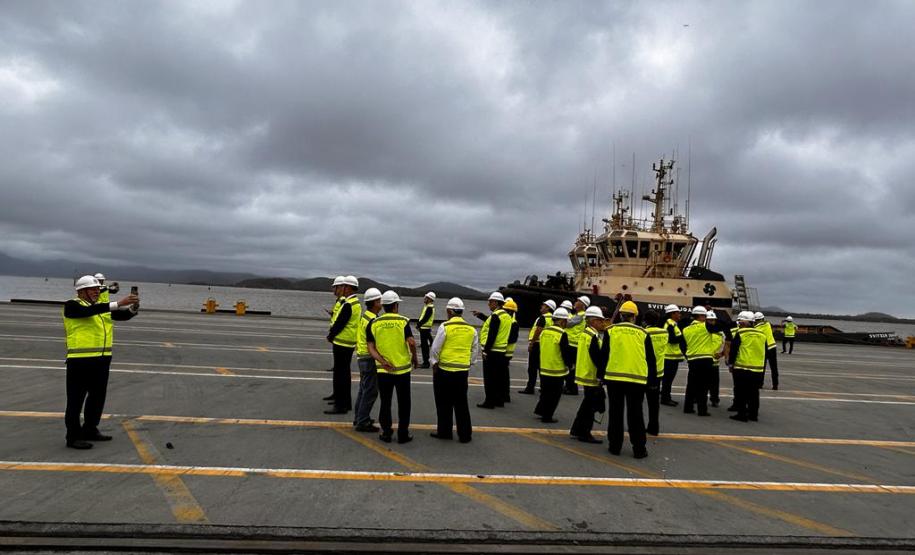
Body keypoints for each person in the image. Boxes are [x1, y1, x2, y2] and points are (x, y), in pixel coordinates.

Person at [62, 275, 138, 449]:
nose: (97, 292)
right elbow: (86, 312)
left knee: (97, 397)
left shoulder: (100, 308)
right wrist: (118, 303)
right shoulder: (72, 305)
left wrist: (133, 308)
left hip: (102, 360)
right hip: (80, 361)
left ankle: (90, 429)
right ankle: (72, 437)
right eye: (93, 289)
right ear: (81, 291)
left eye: (98, 289)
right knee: (75, 400)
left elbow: (122, 315)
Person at [603, 301, 655, 458]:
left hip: (614, 377)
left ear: (620, 316)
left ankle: (615, 446)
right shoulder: (643, 333)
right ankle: (639, 449)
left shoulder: (611, 331)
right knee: (636, 414)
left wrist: (601, 376)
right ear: (635, 317)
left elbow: (604, 354)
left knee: (615, 413)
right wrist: (652, 381)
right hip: (636, 379)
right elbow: (650, 359)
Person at [366, 290, 417, 443]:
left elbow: (371, 348)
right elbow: (411, 342)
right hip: (402, 370)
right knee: (404, 403)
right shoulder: (403, 321)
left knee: (385, 402)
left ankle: (387, 433)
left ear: (383, 306)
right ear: (395, 306)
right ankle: (403, 434)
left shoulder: (374, 323)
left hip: (384, 370)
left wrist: (382, 361)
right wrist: (414, 357)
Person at [429, 297, 479, 443]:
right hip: (462, 372)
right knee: (461, 403)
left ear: (450, 311)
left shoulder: (445, 327)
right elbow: (475, 349)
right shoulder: (471, 329)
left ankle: (444, 432)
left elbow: (435, 348)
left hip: (445, 370)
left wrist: (434, 363)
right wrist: (469, 362)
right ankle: (465, 434)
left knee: (443, 403)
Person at [569, 306, 609, 444]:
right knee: (590, 407)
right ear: (593, 321)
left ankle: (576, 429)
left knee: (586, 404)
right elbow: (597, 357)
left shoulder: (585, 334)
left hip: (584, 373)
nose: (602, 323)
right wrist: (602, 375)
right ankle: (585, 433)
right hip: (591, 375)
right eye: (600, 320)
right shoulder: (592, 336)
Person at [325, 275, 361, 414]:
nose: (342, 289)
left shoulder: (348, 304)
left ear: (349, 288)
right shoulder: (354, 303)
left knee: (341, 374)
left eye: (344, 286)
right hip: (348, 342)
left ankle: (341, 406)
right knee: (344, 374)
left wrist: (331, 335)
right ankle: (345, 402)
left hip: (342, 342)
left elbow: (340, 323)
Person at [472, 292, 512, 409]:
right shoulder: (506, 316)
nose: (488, 304)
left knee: (489, 378)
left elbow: (492, 335)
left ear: (495, 302)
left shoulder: (495, 316)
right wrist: (480, 315)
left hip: (492, 351)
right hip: (501, 351)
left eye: (490, 302)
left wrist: (486, 351)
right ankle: (499, 400)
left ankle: (489, 402)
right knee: (498, 378)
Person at [728, 311, 768, 422]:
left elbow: (734, 350)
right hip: (757, 369)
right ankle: (753, 414)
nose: (739, 324)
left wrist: (731, 364)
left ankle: (742, 414)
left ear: (743, 322)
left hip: (742, 367)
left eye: (740, 322)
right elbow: (765, 351)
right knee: (754, 393)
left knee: (741, 392)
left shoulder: (740, 333)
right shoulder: (762, 334)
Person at [353, 288, 383, 432]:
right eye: (380, 301)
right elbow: (376, 341)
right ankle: (363, 421)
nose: (381, 303)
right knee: (370, 391)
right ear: (375, 302)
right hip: (369, 358)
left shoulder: (365, 316)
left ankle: (359, 417)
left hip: (362, 356)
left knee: (363, 389)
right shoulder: (373, 320)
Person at [533, 307, 569, 423]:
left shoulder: (545, 331)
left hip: (544, 367)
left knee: (545, 392)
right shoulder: (562, 334)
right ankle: (547, 416)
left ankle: (541, 411)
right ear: (562, 321)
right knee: (554, 395)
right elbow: (565, 353)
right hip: (556, 370)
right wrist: (570, 364)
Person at [682, 306, 718, 416]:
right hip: (705, 359)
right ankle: (702, 410)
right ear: (701, 316)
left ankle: (688, 407)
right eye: (705, 316)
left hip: (692, 359)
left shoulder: (686, 329)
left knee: (691, 384)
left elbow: (683, 345)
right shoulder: (706, 326)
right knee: (703, 386)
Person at [520, 300, 555, 395]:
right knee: (542, 367)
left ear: (548, 308)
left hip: (537, 344)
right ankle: (544, 387)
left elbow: (538, 330)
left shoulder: (543, 318)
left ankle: (530, 388)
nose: (541, 306)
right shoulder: (553, 318)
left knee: (532, 368)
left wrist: (532, 343)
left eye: (544, 305)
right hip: (546, 345)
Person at [642, 310, 667, 436]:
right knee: (654, 403)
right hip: (658, 372)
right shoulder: (664, 332)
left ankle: (638, 426)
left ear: (645, 321)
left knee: (637, 402)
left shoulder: (643, 333)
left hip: (643, 371)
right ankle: (653, 427)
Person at [563, 296, 591, 395]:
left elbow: (568, 324)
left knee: (570, 367)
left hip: (573, 345)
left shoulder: (581, 315)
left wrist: (562, 318)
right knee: (569, 367)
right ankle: (569, 386)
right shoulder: (578, 315)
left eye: (578, 301)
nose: (575, 302)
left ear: (583, 305)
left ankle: (572, 388)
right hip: (572, 344)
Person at [660, 304, 686, 406]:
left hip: (672, 356)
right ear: (672, 314)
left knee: (669, 379)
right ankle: (665, 398)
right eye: (678, 313)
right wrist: (683, 337)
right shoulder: (670, 324)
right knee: (668, 379)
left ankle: (667, 397)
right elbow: (671, 340)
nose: (680, 315)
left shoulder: (673, 324)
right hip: (669, 357)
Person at [755, 312, 779, 390]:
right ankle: (775, 385)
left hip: (764, 348)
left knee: (762, 367)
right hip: (772, 347)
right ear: (763, 318)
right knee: (774, 367)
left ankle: (760, 384)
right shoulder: (768, 324)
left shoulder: (756, 328)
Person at [502, 298, 520, 403]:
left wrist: (501, 340)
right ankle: (504, 395)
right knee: (503, 375)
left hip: (505, 352)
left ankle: (505, 395)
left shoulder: (513, 323)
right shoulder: (510, 321)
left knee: (503, 376)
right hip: (504, 351)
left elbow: (512, 339)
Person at [417, 292, 436, 368]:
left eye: (426, 298)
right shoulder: (428, 307)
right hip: (425, 328)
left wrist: (418, 324)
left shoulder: (429, 308)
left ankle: (426, 363)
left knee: (424, 347)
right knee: (425, 345)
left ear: (430, 299)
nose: (425, 299)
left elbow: (425, 318)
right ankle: (426, 362)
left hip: (425, 328)